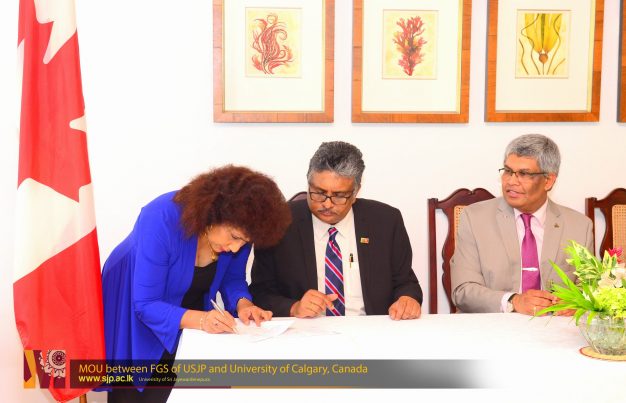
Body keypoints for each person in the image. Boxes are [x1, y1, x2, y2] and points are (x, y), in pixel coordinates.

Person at [101, 165, 291, 402]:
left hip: (187, 311)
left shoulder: (242, 227)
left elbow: (233, 278)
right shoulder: (161, 218)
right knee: (140, 390)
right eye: (234, 237)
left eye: (244, 242)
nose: (236, 248)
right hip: (135, 308)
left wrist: (244, 304)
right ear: (215, 213)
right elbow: (147, 304)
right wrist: (202, 320)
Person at [250, 141, 423, 320]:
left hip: (370, 328)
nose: (327, 204)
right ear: (308, 183)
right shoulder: (278, 222)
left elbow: (406, 283)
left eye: (339, 196)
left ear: (355, 193)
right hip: (306, 329)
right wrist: (294, 307)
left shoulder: (386, 222)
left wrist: (407, 298)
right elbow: (260, 292)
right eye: (319, 193)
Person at [451, 134, 594, 315]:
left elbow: (590, 289)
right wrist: (514, 301)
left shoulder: (579, 226)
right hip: (493, 325)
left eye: (524, 174)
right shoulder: (475, 218)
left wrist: (576, 304)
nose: (511, 181)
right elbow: (463, 291)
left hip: (553, 326)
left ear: (548, 181)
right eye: (508, 171)